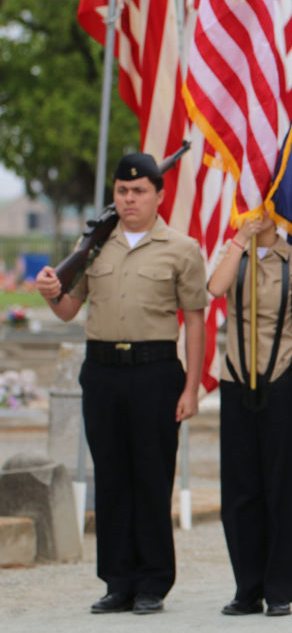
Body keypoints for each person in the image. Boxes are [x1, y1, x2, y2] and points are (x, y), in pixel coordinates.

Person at [35, 153, 206, 615]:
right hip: (103, 371)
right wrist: (53, 293)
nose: (129, 199)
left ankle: (152, 581)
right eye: (122, 191)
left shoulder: (182, 248)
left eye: (139, 191)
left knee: (151, 477)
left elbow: (195, 322)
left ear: (159, 195)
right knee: (110, 477)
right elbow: (70, 311)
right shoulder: (93, 246)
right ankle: (117, 581)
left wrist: (191, 388)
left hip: (155, 372)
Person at [206, 211, 292, 617]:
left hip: (281, 379)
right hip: (236, 378)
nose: (257, 212)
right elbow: (215, 289)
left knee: (280, 486)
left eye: (265, 205)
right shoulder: (234, 250)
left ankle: (280, 589)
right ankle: (246, 587)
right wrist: (239, 240)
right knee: (239, 489)